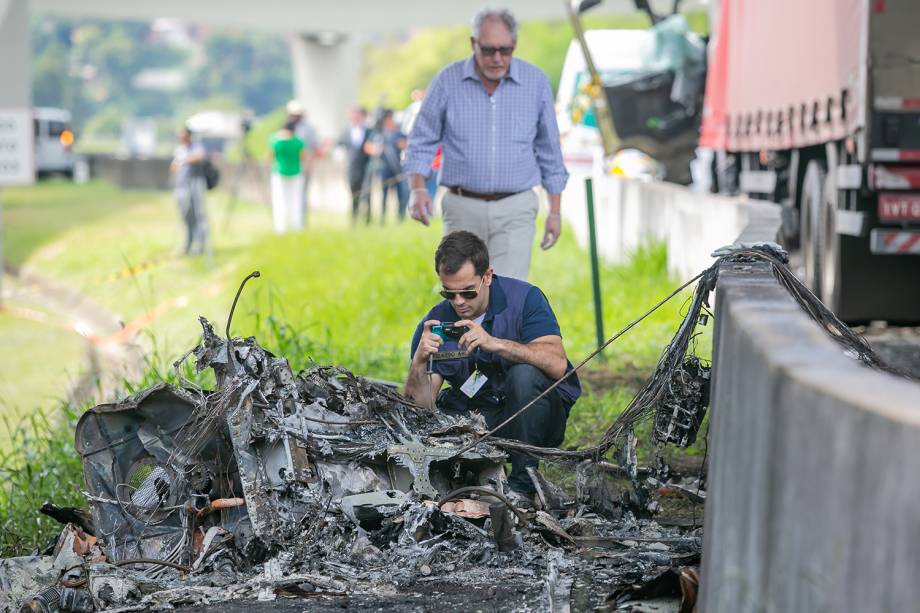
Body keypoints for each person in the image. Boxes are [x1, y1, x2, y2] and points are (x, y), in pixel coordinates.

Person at [405, 231, 581, 501]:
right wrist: (418, 363)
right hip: (482, 419)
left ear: (487, 276)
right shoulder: (436, 320)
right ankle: (466, 480)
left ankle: (522, 486)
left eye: (467, 291)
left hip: (539, 418)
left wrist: (496, 344)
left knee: (524, 375)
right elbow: (420, 410)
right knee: (444, 409)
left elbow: (557, 364)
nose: (459, 302)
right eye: (449, 293)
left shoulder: (525, 299)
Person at [403, 8, 569, 281]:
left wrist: (555, 212)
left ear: (514, 45)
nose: (497, 58)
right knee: (464, 294)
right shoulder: (447, 81)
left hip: (515, 207)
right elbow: (421, 139)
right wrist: (418, 188)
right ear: (473, 44)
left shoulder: (535, 82)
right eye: (488, 50)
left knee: (507, 295)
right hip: (462, 206)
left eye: (505, 50)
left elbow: (550, 150)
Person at [169, 126, 210, 256]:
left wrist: (184, 160)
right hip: (181, 187)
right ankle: (188, 243)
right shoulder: (179, 149)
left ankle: (202, 243)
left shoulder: (196, 147)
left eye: (183, 134)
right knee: (186, 216)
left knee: (198, 214)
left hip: (194, 186)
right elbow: (174, 166)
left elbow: (199, 157)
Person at [366, 109, 409, 222]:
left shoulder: (399, 133)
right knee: (383, 196)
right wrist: (377, 149)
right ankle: (382, 219)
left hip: (397, 169)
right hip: (383, 168)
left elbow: (409, 145)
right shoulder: (379, 133)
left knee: (401, 196)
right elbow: (367, 146)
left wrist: (403, 145)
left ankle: (400, 218)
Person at [268, 118, 306, 234]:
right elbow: (303, 156)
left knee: (280, 201)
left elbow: (270, 157)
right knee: (296, 201)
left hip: (279, 172)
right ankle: (297, 226)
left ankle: (280, 228)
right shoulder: (298, 142)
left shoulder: (275, 141)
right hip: (296, 173)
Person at [285, 99, 319, 225]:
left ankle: (300, 223)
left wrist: (308, 165)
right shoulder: (285, 128)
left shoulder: (308, 129)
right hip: (287, 167)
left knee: (301, 196)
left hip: (303, 167)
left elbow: (313, 148)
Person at [338, 107, 371, 224]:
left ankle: (367, 220)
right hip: (352, 167)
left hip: (366, 166)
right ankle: (354, 218)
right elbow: (340, 146)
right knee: (354, 193)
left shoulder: (369, 131)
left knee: (367, 194)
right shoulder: (346, 132)